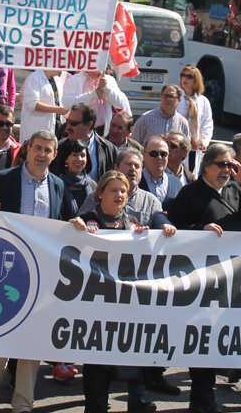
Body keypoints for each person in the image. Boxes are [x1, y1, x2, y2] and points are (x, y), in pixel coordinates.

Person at [168, 142, 241, 413]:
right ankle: (202, 400)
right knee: (204, 338)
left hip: (236, 276)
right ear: (207, 165)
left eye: (231, 165)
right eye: (223, 165)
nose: (228, 170)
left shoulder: (237, 189)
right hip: (203, 280)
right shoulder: (190, 193)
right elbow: (175, 229)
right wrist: (200, 229)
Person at [0, 130, 77, 412]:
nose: (41, 154)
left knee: (33, 339)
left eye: (48, 150)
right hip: (6, 273)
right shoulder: (2, 179)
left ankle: (22, 403)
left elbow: (64, 224)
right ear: (27, 149)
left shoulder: (58, 185)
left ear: (54, 155)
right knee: (1, 336)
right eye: (37, 148)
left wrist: (80, 225)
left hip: (42, 274)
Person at [69, 170, 172, 413]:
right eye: (113, 190)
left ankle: (136, 401)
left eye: (123, 191)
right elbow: (66, 242)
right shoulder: (87, 219)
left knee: (130, 360)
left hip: (125, 309)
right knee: (97, 369)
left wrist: (153, 235)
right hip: (95, 309)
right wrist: (76, 228)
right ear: (100, 193)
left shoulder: (133, 224)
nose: (119, 195)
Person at [60, 102, 118, 182]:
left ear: (88, 125)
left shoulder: (108, 149)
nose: (67, 127)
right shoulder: (60, 147)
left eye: (73, 123)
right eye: (67, 121)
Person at [63, 67, 130, 135]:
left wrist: (106, 89)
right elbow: (67, 104)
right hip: (81, 130)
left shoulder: (110, 80)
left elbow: (120, 103)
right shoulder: (73, 80)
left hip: (102, 130)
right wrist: (92, 95)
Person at [176, 65, 213, 174]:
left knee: (191, 174)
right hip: (179, 145)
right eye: (183, 75)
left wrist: (205, 141)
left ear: (196, 80)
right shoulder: (177, 98)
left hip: (194, 146)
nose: (184, 79)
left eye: (189, 76)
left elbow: (208, 123)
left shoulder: (203, 101)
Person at [19, 68, 67, 143]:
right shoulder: (34, 78)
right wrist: (57, 110)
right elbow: (32, 103)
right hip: (36, 128)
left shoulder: (57, 80)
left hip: (56, 126)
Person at [138, 136, 183, 208]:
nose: (159, 157)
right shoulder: (135, 182)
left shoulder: (176, 183)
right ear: (143, 155)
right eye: (153, 154)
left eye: (163, 154)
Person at [52, 138, 94, 210]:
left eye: (82, 155)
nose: (79, 159)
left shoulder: (92, 185)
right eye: (74, 155)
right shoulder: (56, 185)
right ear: (66, 159)